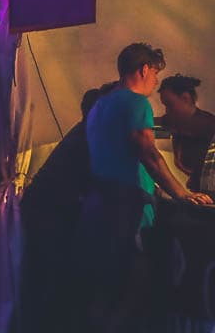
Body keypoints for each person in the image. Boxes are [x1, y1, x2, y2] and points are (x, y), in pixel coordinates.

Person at [77, 43, 213, 333]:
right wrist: (182, 194)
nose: (154, 83)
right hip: (126, 209)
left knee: (105, 288)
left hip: (98, 206)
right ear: (144, 69)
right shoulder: (135, 103)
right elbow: (148, 153)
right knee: (132, 283)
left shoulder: (101, 105)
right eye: (154, 75)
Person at [19, 83, 116, 333]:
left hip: (47, 213)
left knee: (46, 283)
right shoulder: (90, 138)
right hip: (49, 216)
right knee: (50, 283)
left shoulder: (86, 133)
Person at [157, 74, 215, 192]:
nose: (166, 110)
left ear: (185, 98)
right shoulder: (171, 122)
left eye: (169, 104)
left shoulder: (210, 127)